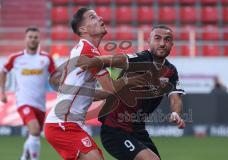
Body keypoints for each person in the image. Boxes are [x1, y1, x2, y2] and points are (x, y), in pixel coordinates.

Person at [44, 7, 147, 160]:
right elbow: (111, 88)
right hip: (63, 125)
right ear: (82, 29)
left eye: (97, 16)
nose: (99, 18)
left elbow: (95, 92)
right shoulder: (88, 51)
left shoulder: (85, 49)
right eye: (92, 17)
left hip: (65, 124)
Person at [76, 25, 186, 160]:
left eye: (167, 39)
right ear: (149, 41)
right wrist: (92, 61)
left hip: (138, 130)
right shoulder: (140, 59)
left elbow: (175, 98)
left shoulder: (171, 71)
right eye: (157, 39)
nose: (162, 43)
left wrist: (176, 113)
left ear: (172, 44)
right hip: (115, 129)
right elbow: (113, 60)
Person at [0, 26, 56, 160]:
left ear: (39, 39)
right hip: (23, 101)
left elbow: (55, 76)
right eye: (30, 37)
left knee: (34, 135)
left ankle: (24, 157)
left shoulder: (46, 58)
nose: (32, 39)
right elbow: (3, 71)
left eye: (35, 37)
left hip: (40, 104)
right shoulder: (16, 58)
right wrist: (3, 92)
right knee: (35, 129)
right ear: (25, 39)